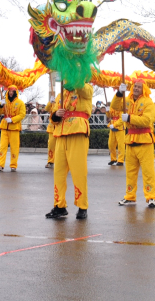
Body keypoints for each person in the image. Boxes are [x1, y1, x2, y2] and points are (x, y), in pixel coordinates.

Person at [45, 83, 94, 220]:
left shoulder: (85, 87)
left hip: (77, 131)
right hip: (61, 133)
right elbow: (53, 117)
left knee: (79, 171)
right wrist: (55, 115)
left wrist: (76, 78)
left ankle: (82, 206)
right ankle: (59, 206)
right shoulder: (61, 94)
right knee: (58, 173)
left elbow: (86, 92)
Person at [113, 79, 155, 208]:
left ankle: (151, 197)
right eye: (135, 86)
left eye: (139, 87)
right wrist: (119, 93)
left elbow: (146, 120)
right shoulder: (126, 100)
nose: (136, 88)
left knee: (148, 172)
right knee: (130, 172)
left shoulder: (148, 102)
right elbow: (115, 106)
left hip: (144, 140)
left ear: (143, 89)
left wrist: (129, 118)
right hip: (130, 140)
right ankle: (130, 196)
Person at [0, 86, 26, 172]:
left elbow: (22, 115)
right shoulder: (4, 101)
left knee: (14, 147)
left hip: (14, 127)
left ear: (16, 92)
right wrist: (0, 105)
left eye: (12, 91)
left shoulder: (20, 103)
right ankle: (0, 165)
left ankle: (13, 165)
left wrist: (12, 119)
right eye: (9, 91)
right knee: (2, 147)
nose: (11, 93)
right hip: (4, 126)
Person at [106, 94, 125, 166]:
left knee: (121, 145)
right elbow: (109, 116)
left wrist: (114, 125)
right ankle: (113, 159)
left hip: (119, 128)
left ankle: (120, 160)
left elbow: (122, 119)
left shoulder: (122, 108)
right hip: (112, 127)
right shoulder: (112, 107)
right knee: (111, 144)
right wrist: (107, 111)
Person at [44, 93, 58, 168]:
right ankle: (50, 161)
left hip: (61, 128)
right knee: (51, 146)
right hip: (52, 128)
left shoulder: (62, 102)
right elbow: (46, 109)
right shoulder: (52, 103)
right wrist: (50, 102)